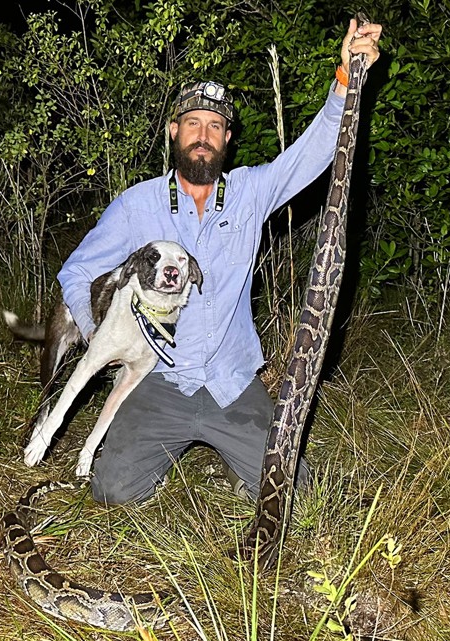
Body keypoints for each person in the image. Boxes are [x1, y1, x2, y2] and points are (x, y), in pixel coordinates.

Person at [57, 18, 382, 504]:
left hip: (232, 382)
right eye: (193, 123)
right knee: (112, 493)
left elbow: (310, 156)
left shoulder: (249, 191)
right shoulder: (136, 205)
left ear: (227, 139)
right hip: (158, 378)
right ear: (174, 132)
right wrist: (102, 334)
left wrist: (346, 79)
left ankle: (236, 460)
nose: (203, 134)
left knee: (296, 495)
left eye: (214, 126)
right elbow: (76, 272)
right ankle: (157, 450)